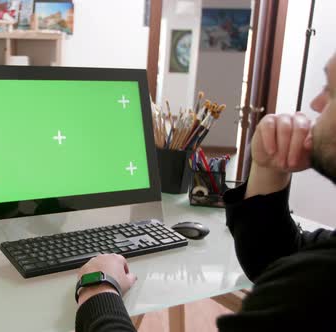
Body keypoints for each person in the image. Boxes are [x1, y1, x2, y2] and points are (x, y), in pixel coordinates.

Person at [75, 53, 336, 332]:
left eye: (331, 91)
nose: (315, 103)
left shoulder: (319, 286)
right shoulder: (315, 273)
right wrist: (267, 166)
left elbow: (301, 284)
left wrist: (98, 291)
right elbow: (282, 264)